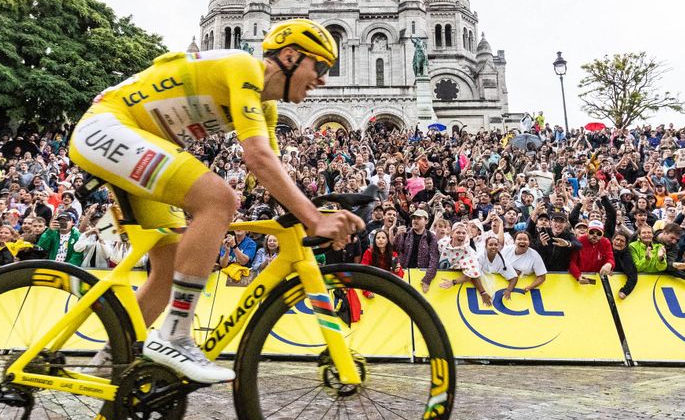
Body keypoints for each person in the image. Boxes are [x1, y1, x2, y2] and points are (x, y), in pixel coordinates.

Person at [69, 19, 360, 383]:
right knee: (219, 200)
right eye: (320, 66)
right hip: (109, 126)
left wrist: (318, 213)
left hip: (136, 140)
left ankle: (108, 367)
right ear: (288, 56)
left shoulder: (266, 108)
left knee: (169, 266)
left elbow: (273, 171)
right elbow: (257, 157)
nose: (323, 79)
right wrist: (314, 219)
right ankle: (174, 335)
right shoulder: (243, 67)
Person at [395, 209, 440, 294]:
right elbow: (396, 250)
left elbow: (434, 260)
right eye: (414, 218)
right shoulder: (405, 233)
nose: (415, 220)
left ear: (426, 221)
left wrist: (427, 280)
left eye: (419, 218)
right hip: (404, 275)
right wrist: (397, 236)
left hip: (421, 277)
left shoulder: (431, 237)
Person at [500, 230, 547, 298]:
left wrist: (529, 287)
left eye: (525, 239)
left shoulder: (535, 255)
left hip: (523, 289)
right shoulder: (506, 250)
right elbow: (497, 265)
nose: (522, 241)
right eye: (519, 239)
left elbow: (542, 277)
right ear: (514, 241)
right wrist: (511, 271)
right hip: (502, 284)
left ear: (529, 242)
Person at [568, 219, 614, 286]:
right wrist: (578, 275)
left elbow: (610, 258)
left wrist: (609, 264)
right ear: (587, 232)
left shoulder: (606, 242)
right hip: (580, 277)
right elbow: (572, 262)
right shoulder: (579, 241)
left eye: (599, 233)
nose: (595, 235)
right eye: (592, 232)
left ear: (603, 234)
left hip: (597, 279)